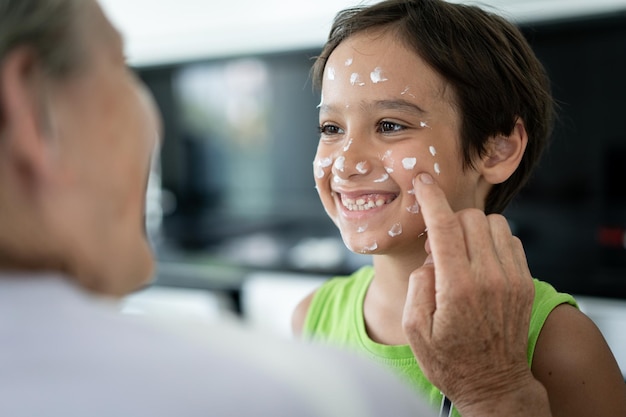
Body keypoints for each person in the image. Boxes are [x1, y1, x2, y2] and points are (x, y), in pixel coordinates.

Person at [0, 0, 439, 416]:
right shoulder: (315, 393)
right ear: (30, 114)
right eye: (121, 69)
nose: (346, 162)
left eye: (389, 125)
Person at [292, 1, 626, 416]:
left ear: (496, 149)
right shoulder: (310, 318)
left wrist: (495, 389)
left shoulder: (560, 344)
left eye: (390, 125)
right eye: (332, 128)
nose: (346, 162)